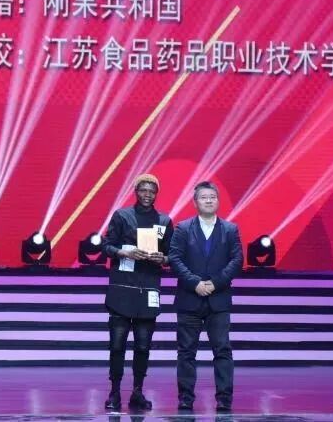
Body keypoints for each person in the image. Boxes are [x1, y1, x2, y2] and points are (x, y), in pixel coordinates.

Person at [168, 180, 243, 412]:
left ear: (217, 201)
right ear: (195, 202)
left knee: (222, 350)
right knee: (186, 352)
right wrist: (195, 283)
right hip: (189, 299)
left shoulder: (230, 229)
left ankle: (224, 399)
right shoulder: (182, 228)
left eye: (212, 197)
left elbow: (237, 260)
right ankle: (185, 398)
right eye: (204, 197)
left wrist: (215, 283)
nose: (209, 200)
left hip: (218, 300)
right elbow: (175, 259)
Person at [102, 173, 173, 411]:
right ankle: (114, 392)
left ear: (157, 194)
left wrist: (162, 258)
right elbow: (106, 246)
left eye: (152, 191)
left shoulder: (164, 221)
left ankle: (137, 392)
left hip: (149, 286)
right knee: (117, 345)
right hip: (122, 288)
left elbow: (172, 255)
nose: (147, 195)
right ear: (136, 191)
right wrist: (125, 252)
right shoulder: (122, 216)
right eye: (143, 190)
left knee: (143, 346)